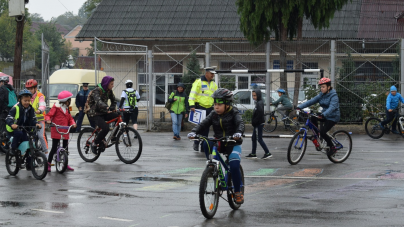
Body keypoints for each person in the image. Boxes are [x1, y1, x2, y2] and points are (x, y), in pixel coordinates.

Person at [187, 88, 245, 204]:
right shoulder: (213, 114)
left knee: (233, 165)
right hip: (220, 142)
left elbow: (240, 123)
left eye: (219, 104)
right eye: (214, 104)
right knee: (206, 142)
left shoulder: (234, 112)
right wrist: (194, 132)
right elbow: (203, 124)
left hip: (233, 143)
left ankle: (238, 192)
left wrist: (238, 133)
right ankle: (212, 167)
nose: (216, 107)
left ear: (227, 104)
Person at [297, 77, 340, 156]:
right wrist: (300, 107)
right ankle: (317, 136)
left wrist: (323, 114)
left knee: (323, 132)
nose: (321, 89)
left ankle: (332, 147)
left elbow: (332, 107)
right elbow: (311, 101)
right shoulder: (321, 95)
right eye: (321, 87)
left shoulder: (334, 96)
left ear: (328, 87)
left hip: (333, 117)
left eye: (323, 87)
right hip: (324, 115)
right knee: (313, 117)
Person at [6, 89, 42, 170]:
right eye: (25, 100)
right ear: (20, 100)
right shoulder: (15, 108)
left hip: (25, 129)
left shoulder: (31, 109)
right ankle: (13, 148)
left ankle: (29, 164)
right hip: (14, 130)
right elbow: (8, 118)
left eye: (28, 101)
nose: (27, 102)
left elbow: (33, 119)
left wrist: (36, 124)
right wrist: (12, 124)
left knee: (30, 144)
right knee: (19, 134)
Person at [188, 66, 218, 151]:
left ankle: (203, 145)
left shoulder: (213, 84)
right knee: (200, 127)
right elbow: (192, 94)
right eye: (211, 74)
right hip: (200, 107)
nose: (213, 75)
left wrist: (216, 106)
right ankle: (196, 142)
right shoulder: (198, 82)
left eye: (213, 74)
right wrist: (192, 105)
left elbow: (216, 96)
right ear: (207, 73)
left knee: (207, 127)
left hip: (209, 108)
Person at [45, 91, 76, 172]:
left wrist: (73, 123)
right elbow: (48, 115)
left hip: (65, 130)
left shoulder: (67, 109)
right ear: (65, 101)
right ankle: (48, 164)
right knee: (54, 147)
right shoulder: (56, 107)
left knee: (66, 148)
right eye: (69, 100)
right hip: (57, 129)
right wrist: (48, 120)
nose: (70, 102)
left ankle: (65, 164)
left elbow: (70, 119)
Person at [87, 76, 118, 154]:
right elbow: (98, 102)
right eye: (111, 84)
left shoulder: (109, 91)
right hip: (94, 113)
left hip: (103, 112)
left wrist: (112, 108)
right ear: (106, 84)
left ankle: (113, 137)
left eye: (113, 84)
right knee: (106, 128)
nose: (113, 86)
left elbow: (114, 100)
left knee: (118, 116)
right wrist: (106, 107)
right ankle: (94, 143)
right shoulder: (96, 91)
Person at [246, 89, 272, 159]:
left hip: (258, 124)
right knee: (253, 138)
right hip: (257, 124)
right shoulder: (258, 102)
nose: (253, 97)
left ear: (258, 95)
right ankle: (253, 153)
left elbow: (260, 114)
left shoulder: (259, 103)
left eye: (255, 95)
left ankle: (267, 153)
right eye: (253, 95)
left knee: (259, 139)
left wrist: (255, 122)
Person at [25, 79, 49, 157]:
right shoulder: (26, 96)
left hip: (40, 120)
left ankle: (46, 154)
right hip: (30, 121)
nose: (29, 90)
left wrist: (39, 110)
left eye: (31, 89)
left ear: (35, 88)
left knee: (41, 136)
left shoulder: (40, 96)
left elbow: (42, 105)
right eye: (28, 89)